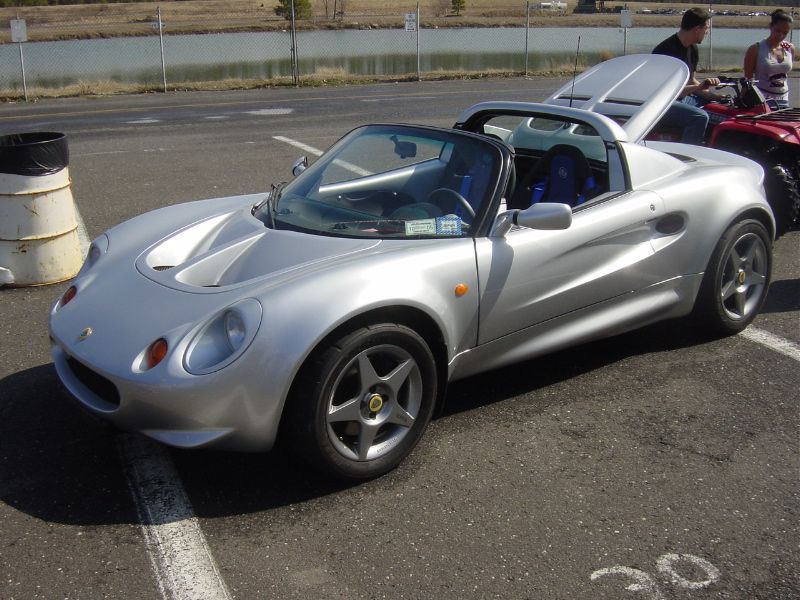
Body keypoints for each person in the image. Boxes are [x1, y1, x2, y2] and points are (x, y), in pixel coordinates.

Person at [652, 8, 721, 144]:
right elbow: (667, 92)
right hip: (661, 103)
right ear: (697, 29)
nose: (707, 32)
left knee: (717, 108)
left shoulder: (692, 48)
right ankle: (686, 153)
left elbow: (691, 81)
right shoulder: (665, 51)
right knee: (700, 117)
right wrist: (698, 87)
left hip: (683, 98)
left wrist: (716, 97)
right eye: (706, 28)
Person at [743, 9, 794, 109]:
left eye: (785, 33)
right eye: (777, 31)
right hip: (762, 100)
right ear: (771, 26)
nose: (780, 35)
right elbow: (747, 80)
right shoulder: (756, 49)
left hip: (784, 100)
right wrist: (742, 101)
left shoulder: (789, 48)